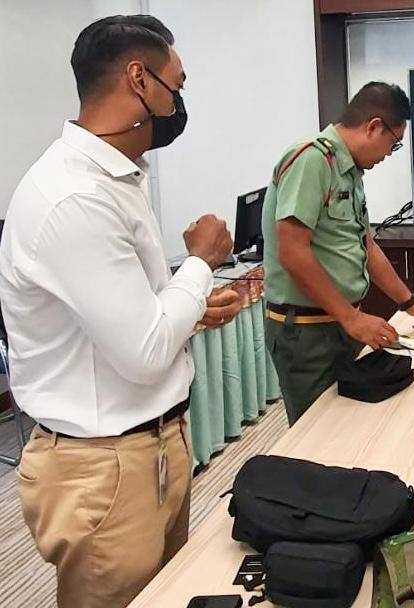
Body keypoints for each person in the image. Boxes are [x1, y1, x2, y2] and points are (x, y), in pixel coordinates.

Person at [0, 16, 241, 608]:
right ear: (139, 79)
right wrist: (202, 263)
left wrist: (189, 309)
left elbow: (135, 313)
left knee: (168, 594)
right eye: (176, 85)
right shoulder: (74, 195)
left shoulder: (115, 179)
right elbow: (143, 350)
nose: (180, 103)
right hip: (104, 469)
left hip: (152, 446)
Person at [262, 82, 414, 425]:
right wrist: (350, 317)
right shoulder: (311, 160)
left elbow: (365, 244)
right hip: (307, 331)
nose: (389, 154)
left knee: (349, 425)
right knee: (316, 434)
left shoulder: (348, 170)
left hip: (338, 324)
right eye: (392, 144)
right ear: (373, 126)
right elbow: (292, 251)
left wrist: (409, 303)